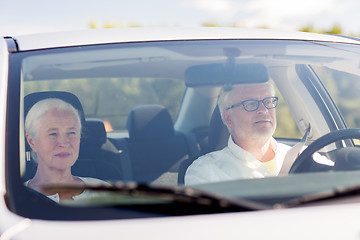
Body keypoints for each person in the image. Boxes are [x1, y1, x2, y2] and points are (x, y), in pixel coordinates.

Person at [185, 81, 291, 185]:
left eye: (268, 102)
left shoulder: (299, 156)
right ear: (228, 118)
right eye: (251, 104)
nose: (264, 110)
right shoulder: (205, 172)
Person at [24, 98, 107, 202]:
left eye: (71, 132)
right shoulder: (14, 199)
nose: (64, 143)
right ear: (32, 141)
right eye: (53, 134)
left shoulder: (104, 192)